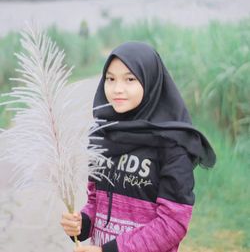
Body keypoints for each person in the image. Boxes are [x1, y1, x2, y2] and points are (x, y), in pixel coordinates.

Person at [61, 42, 216, 252]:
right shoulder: (101, 135)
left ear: (150, 80)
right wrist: (82, 223)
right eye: (110, 78)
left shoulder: (172, 144)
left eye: (130, 79)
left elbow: (173, 223)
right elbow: (96, 201)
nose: (117, 89)